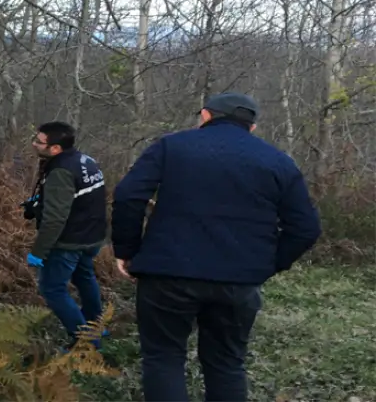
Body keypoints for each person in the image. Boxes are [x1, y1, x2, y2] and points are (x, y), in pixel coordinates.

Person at [111, 92, 322, 401]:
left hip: (167, 272)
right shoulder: (278, 162)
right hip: (238, 281)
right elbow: (306, 228)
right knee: (226, 364)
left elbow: (129, 195)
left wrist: (126, 250)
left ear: (205, 116)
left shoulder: (172, 146)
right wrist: (266, 265)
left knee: (164, 358)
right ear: (251, 127)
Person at [23, 121, 109, 351]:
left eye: (39, 141)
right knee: (84, 277)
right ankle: (96, 324)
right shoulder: (85, 160)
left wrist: (38, 252)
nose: (34, 143)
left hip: (69, 240)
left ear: (55, 149)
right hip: (92, 235)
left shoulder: (60, 171)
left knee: (52, 289)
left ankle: (87, 345)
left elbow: (55, 219)